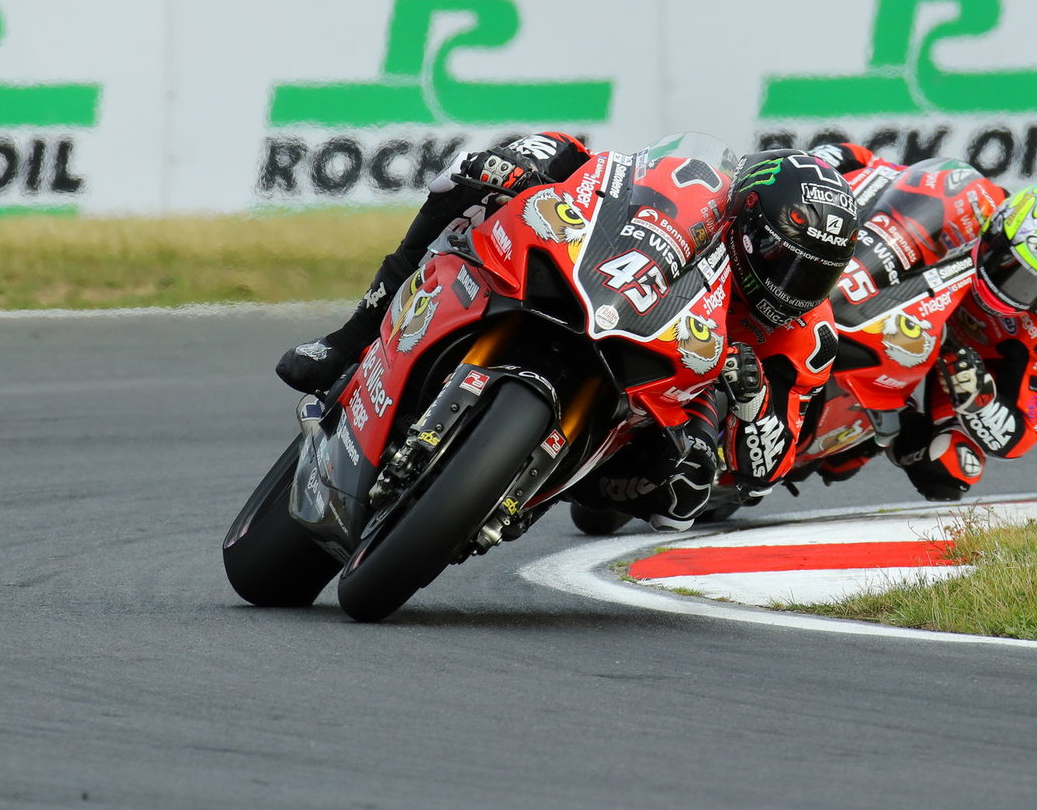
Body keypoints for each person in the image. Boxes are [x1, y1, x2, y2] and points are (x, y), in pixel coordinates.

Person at [276, 135, 857, 531]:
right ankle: (349, 338)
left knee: (683, 494)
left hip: (669, 400)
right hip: (606, 295)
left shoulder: (807, 334)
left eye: (816, 273)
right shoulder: (698, 189)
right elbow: (604, 170)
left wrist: (754, 406)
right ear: (746, 219)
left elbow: (765, 472)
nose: (795, 285)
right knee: (471, 179)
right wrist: (524, 164)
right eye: (787, 259)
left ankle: (521, 488)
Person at [807, 142, 1037, 502]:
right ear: (997, 230)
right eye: (1005, 260)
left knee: (951, 468)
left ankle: (871, 434)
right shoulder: (975, 202)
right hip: (904, 308)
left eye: (1029, 284)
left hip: (958, 361)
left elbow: (1020, 432)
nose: (1007, 284)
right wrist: (824, 161)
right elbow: (883, 171)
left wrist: (977, 398)